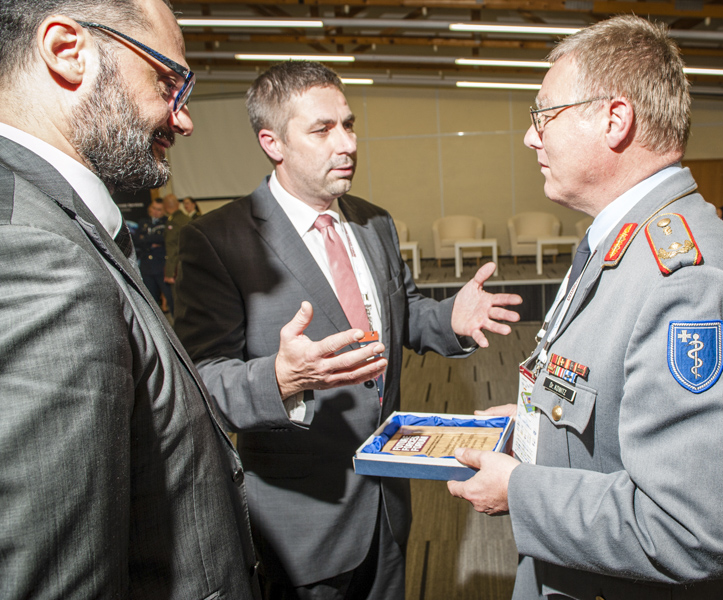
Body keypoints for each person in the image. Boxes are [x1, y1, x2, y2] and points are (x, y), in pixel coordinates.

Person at [447, 15, 723, 600]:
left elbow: (691, 529)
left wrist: (520, 492)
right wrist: (533, 425)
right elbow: (607, 396)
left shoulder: (689, 279)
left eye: (543, 114)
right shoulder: (622, 240)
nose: (531, 136)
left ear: (615, 120)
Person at [174, 60, 522, 600]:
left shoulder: (374, 221)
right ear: (272, 143)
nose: (348, 143)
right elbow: (201, 381)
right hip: (303, 521)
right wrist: (281, 380)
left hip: (388, 503)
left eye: (349, 124)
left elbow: (401, 313)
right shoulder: (217, 241)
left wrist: (447, 318)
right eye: (323, 130)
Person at [0, 0, 260, 597]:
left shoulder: (55, 220)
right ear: (68, 51)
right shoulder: (39, 254)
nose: (184, 119)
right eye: (169, 82)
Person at [135, 196, 169, 309]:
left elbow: (163, 239)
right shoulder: (144, 222)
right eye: (154, 208)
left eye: (159, 209)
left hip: (161, 265)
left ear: (164, 210)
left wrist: (145, 239)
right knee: (150, 300)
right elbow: (136, 240)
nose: (155, 211)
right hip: (146, 266)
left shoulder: (167, 222)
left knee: (170, 297)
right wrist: (150, 242)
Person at [162, 191, 189, 305]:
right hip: (189, 266)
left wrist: (169, 272)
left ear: (165, 207)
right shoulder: (187, 219)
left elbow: (172, 248)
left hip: (177, 268)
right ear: (178, 204)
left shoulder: (173, 222)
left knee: (179, 301)